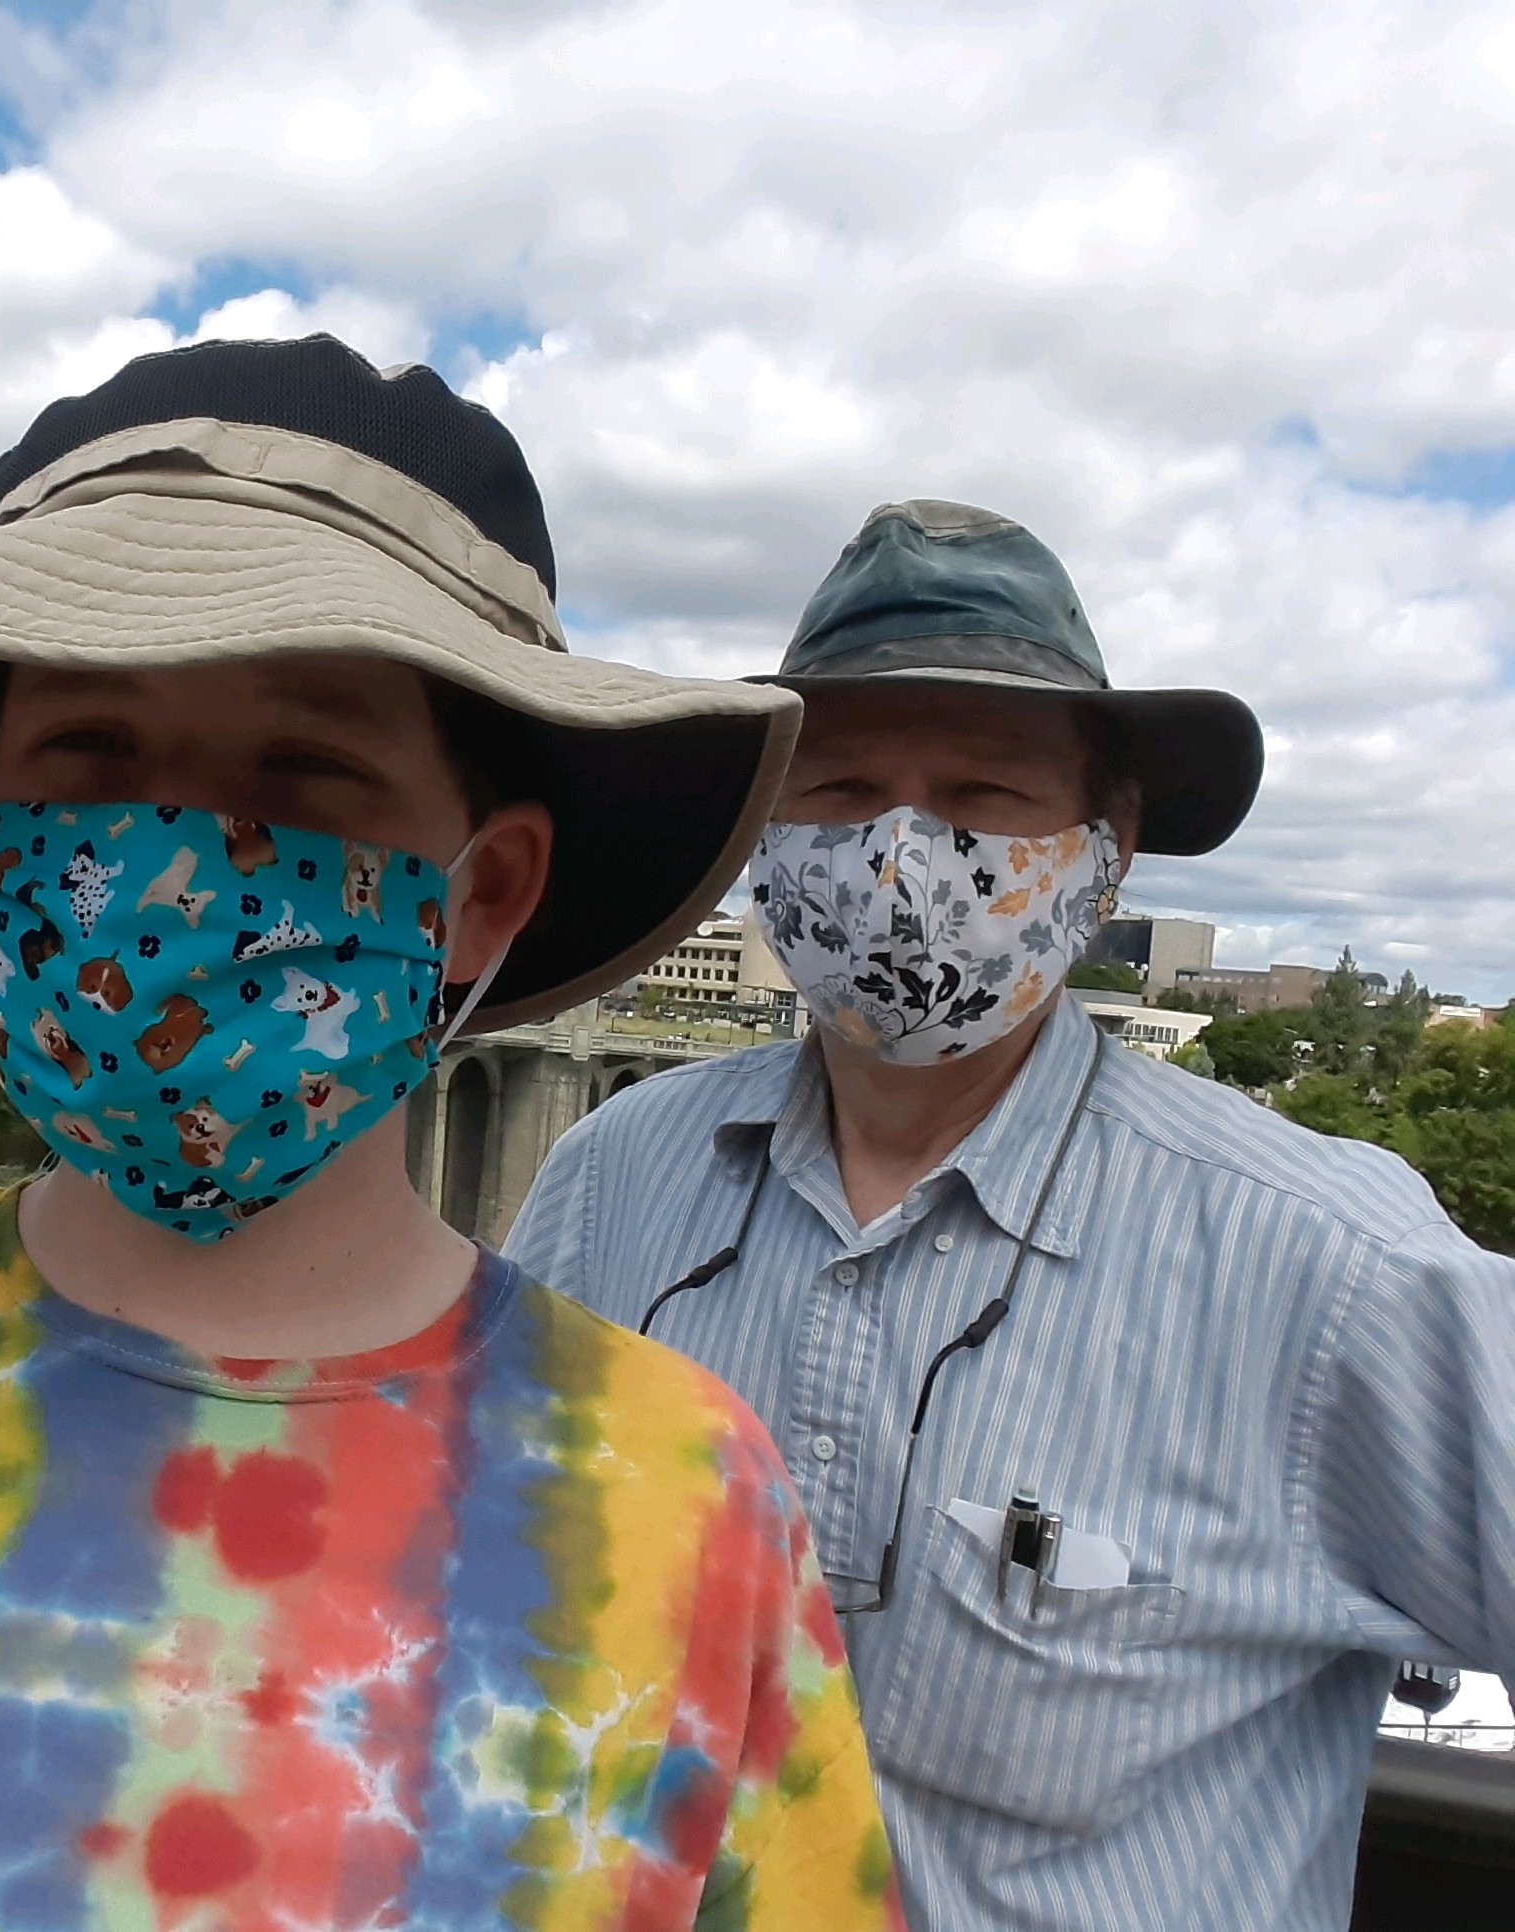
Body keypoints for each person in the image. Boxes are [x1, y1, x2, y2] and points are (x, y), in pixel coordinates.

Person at [0, 336, 903, 1931]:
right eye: (91, 756)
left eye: (304, 770)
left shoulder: (692, 1501)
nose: (171, 857)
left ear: (484, 891)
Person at [505, 497, 1515, 1929]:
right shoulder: (609, 1186)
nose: (904, 859)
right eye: (842, 795)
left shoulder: (1336, 1271)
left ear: (1109, 849)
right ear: (764, 837)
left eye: (984, 799)